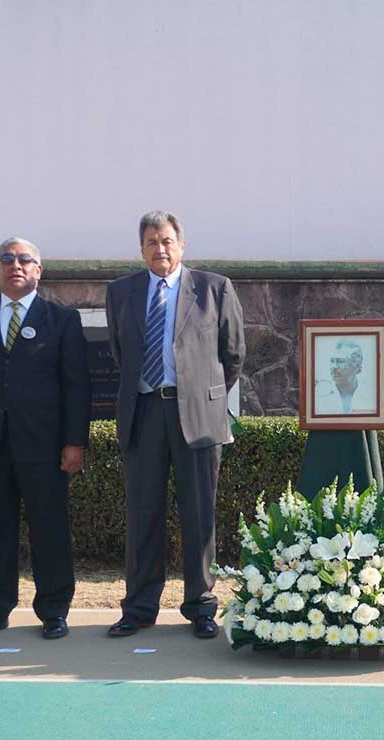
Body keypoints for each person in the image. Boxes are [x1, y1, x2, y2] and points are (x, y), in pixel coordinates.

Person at [105, 210, 245, 639]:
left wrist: (199, 392)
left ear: (181, 245)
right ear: (141, 249)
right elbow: (120, 353)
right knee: (143, 513)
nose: (159, 249)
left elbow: (233, 353)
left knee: (199, 515)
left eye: (167, 241)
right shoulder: (121, 292)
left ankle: (201, 605)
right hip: (144, 413)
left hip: (198, 417)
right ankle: (140, 607)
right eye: (151, 242)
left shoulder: (214, 288)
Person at [0, 237, 90, 641]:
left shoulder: (61, 320)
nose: (16, 265)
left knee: (50, 528)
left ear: (38, 270)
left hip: (45, 446)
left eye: (25, 259)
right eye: (7, 259)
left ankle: (54, 609)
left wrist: (75, 441)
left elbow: (76, 386)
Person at [313, 339, 374, 414]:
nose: (334, 367)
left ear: (357, 366)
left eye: (340, 361)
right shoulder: (318, 394)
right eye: (332, 361)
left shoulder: (371, 395)